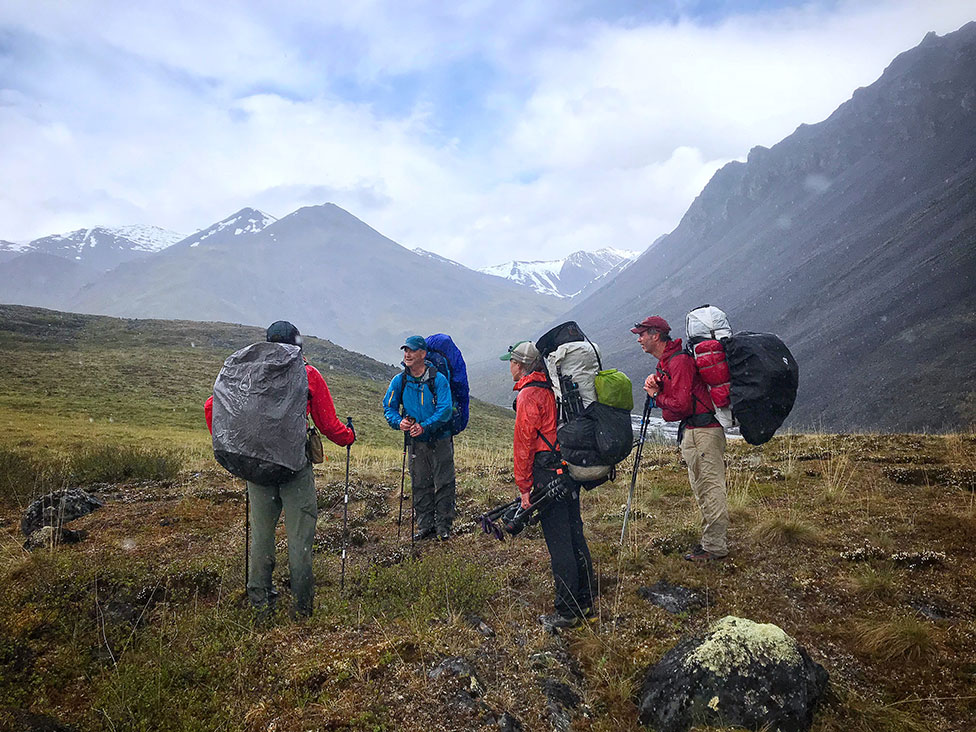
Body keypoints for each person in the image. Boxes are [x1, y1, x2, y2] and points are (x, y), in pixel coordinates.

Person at [205, 320, 355, 619]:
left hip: (255, 468)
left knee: (261, 537)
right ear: (297, 345)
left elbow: (212, 407)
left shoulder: (246, 373)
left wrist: (237, 443)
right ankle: (302, 609)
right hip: (293, 468)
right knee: (299, 540)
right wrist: (348, 436)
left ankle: (261, 605)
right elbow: (327, 424)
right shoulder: (307, 373)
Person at [503, 340, 595, 628]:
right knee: (574, 533)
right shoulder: (553, 389)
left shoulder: (530, 394)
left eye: (512, 361)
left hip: (545, 474)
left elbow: (523, 445)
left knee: (559, 543)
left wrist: (524, 488)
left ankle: (567, 611)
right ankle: (585, 599)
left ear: (520, 365)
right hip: (566, 469)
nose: (510, 366)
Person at [632, 316, 728, 562]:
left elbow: (681, 405)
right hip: (695, 432)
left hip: (704, 432)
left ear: (656, 335)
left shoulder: (679, 362)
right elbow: (676, 402)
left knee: (710, 488)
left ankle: (715, 548)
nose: (639, 339)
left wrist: (656, 396)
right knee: (702, 488)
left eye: (642, 334)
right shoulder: (668, 362)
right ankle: (710, 543)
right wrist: (658, 387)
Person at [383, 335, 455, 541]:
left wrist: (424, 426)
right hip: (415, 442)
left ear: (423, 354)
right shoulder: (400, 380)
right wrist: (399, 422)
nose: (407, 354)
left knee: (444, 482)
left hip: (440, 439)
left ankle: (443, 527)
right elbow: (388, 407)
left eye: (412, 351)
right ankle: (426, 526)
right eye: (406, 350)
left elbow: (445, 409)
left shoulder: (438, 379)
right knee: (420, 483)